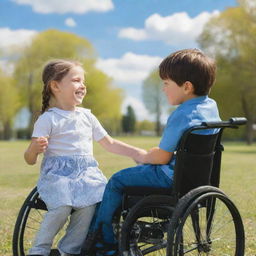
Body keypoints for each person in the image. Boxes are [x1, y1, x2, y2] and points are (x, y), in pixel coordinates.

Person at [86, 48, 221, 256]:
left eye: (166, 83)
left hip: (170, 178)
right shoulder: (210, 107)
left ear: (186, 87)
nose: (163, 89)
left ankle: (103, 240)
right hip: (197, 180)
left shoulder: (182, 115)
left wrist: (143, 156)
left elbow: (162, 157)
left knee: (117, 181)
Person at [24, 59, 147, 256]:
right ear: (55, 86)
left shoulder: (86, 116)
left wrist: (137, 153)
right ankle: (39, 250)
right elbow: (30, 159)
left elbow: (109, 143)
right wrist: (34, 148)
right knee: (62, 206)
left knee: (88, 208)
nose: (82, 86)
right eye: (76, 80)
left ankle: (69, 251)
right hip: (58, 176)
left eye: (83, 81)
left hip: (85, 175)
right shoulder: (48, 118)